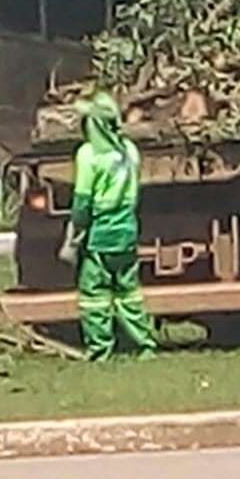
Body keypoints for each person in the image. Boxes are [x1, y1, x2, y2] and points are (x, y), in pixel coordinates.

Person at [68, 92, 158, 361]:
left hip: (100, 231)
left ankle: (100, 350)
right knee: (129, 291)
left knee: (94, 293)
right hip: (127, 227)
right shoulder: (130, 150)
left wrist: (76, 229)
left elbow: (83, 200)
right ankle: (145, 345)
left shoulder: (88, 155)